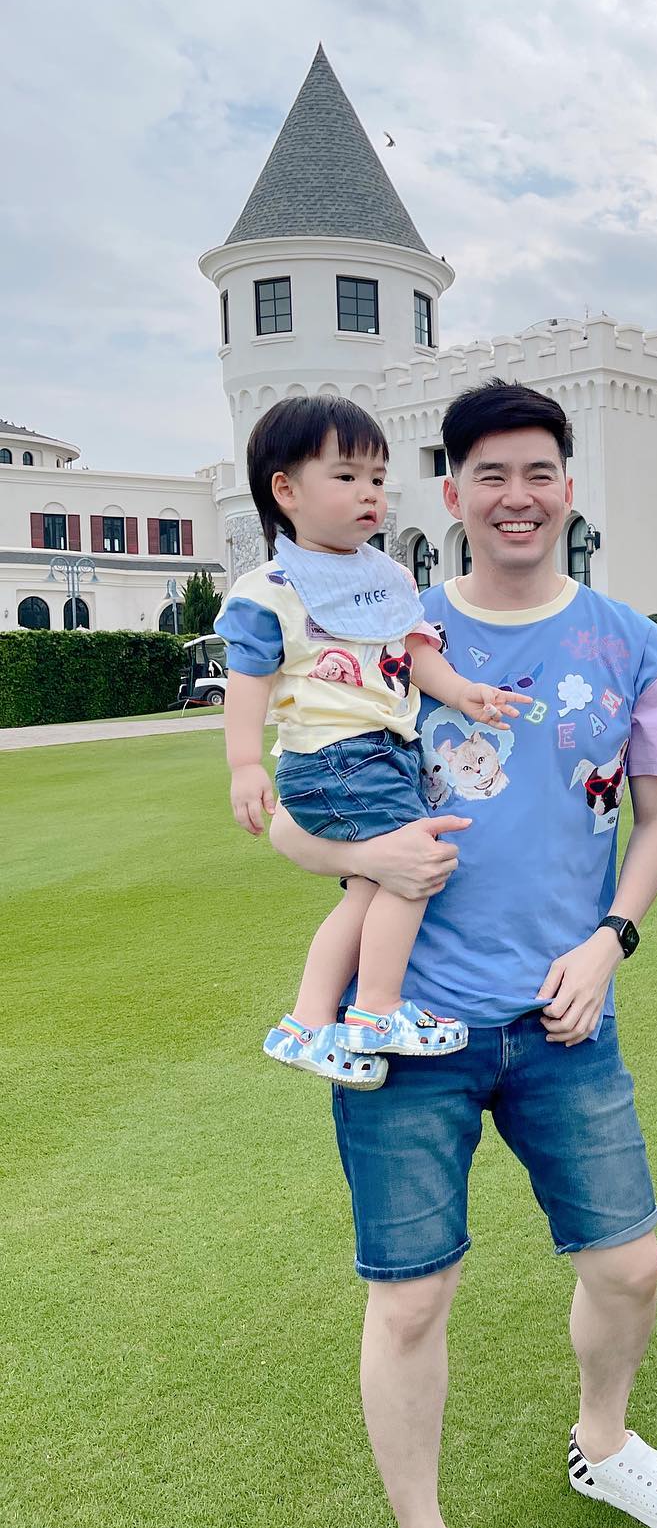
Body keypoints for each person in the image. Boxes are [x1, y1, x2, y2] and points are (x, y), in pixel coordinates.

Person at [268, 380, 657, 1528]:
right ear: (453, 492)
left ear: (568, 488)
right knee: (411, 1297)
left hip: (564, 1016)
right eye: (490, 475)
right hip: (407, 1027)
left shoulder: (629, 643)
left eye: (538, 473)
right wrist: (367, 856)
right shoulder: (381, 620)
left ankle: (605, 1443)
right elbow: (296, 817)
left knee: (629, 1268)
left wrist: (612, 941)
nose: (516, 497)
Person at [217, 394, 525, 1088]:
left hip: (384, 753)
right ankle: (378, 1009)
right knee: (417, 868)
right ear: (286, 491)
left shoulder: (385, 576)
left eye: (378, 479)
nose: (370, 494)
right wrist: (243, 764)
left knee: (366, 891)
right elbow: (247, 681)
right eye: (347, 476)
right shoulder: (270, 590)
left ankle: (306, 1023)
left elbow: (413, 653)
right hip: (335, 757)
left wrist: (462, 692)